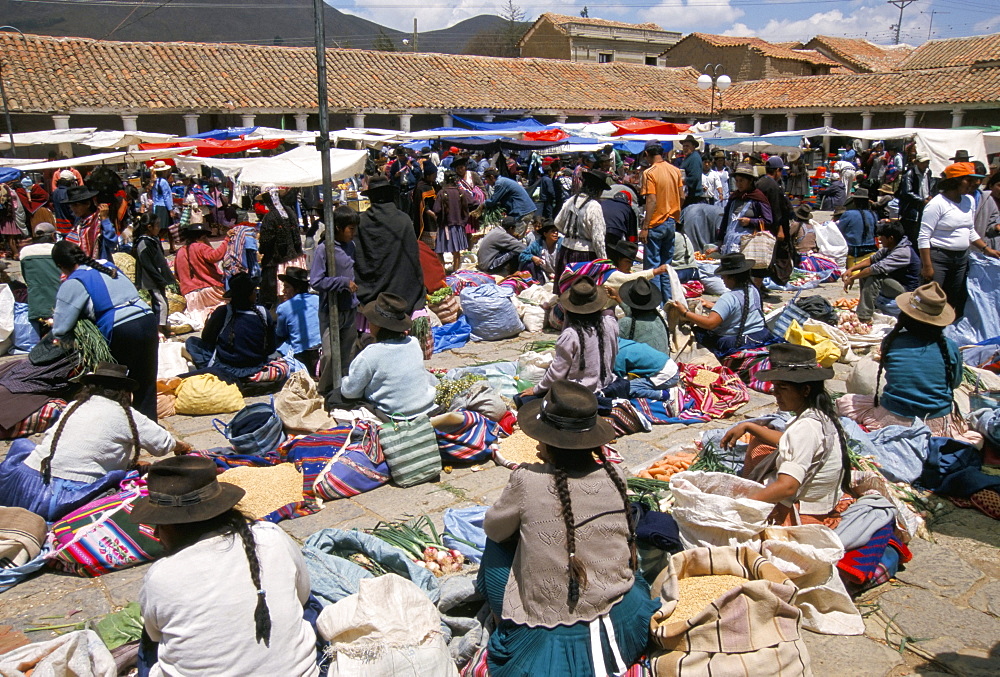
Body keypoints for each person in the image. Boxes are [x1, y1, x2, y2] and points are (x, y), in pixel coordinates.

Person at [480, 380, 657, 677]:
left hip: (548, 644)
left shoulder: (527, 480)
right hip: (626, 623)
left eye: (540, 437)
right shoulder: (615, 475)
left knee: (496, 544)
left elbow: (494, 530)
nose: (536, 444)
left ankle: (509, 621)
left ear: (548, 441)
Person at [132, 456, 320, 677]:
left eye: (159, 526)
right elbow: (303, 596)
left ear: (173, 527)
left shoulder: (161, 576)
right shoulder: (271, 536)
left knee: (149, 644)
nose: (156, 534)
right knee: (308, 605)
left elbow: (155, 636)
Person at [0, 363, 186, 521]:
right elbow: (163, 445)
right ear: (125, 393)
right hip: (64, 497)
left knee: (26, 447)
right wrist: (183, 447)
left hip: (20, 487)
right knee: (124, 482)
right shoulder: (126, 414)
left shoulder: (74, 406)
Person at [720, 344, 849, 525]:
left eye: (782, 387)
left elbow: (788, 487)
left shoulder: (806, 428)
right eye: (774, 386)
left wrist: (740, 506)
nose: (775, 393)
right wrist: (750, 426)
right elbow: (789, 442)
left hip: (801, 510)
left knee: (758, 462)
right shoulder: (820, 414)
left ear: (805, 390)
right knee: (760, 443)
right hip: (819, 500)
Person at [837, 282, 978, 444]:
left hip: (894, 418)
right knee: (974, 438)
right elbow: (955, 383)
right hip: (938, 422)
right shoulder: (950, 347)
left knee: (846, 402)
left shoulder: (892, 341)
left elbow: (894, 377)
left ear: (906, 316)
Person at [51, 240, 159, 420]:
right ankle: (149, 428)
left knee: (114, 384)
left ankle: (116, 426)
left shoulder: (74, 282)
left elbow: (61, 328)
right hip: (147, 319)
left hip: (122, 329)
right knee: (145, 382)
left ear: (61, 266)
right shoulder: (106, 265)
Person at [918, 162, 1000, 316]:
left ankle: (944, 332)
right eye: (968, 180)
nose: (974, 184)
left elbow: (969, 230)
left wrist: (986, 249)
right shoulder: (937, 204)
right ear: (955, 181)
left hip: (961, 259)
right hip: (939, 258)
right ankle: (925, 333)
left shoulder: (968, 201)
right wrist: (927, 266)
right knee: (932, 299)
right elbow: (924, 236)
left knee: (952, 299)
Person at [339, 292, 437, 419]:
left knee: (335, 398)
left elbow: (350, 392)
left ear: (377, 325)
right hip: (426, 407)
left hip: (394, 414)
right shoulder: (413, 342)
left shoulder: (370, 354)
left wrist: (344, 380)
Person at [519, 277, 619, 401]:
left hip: (579, 393)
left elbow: (557, 372)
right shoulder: (610, 323)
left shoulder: (571, 335)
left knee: (521, 399)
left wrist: (536, 389)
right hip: (607, 385)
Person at [671, 253, 782, 360]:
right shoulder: (753, 289)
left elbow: (710, 324)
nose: (723, 280)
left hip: (737, 341)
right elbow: (740, 309)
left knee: (697, 331)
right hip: (760, 335)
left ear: (732, 278)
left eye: (723, 277)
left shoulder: (729, 297)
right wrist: (711, 305)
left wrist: (685, 312)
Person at [353, 176, 426, 314]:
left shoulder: (361, 222)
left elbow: (358, 259)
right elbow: (413, 259)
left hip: (371, 296)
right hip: (404, 295)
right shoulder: (403, 220)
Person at [185, 273, 276, 381]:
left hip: (227, 368)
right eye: (254, 291)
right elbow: (271, 347)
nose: (256, 294)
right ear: (250, 294)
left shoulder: (222, 312)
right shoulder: (263, 312)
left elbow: (207, 339)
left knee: (192, 342)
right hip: (257, 366)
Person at [310, 205, 359, 391]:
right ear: (338, 227)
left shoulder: (350, 246)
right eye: (351, 229)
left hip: (349, 308)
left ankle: (344, 391)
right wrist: (343, 282)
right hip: (331, 310)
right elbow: (316, 281)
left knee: (348, 354)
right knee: (330, 355)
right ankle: (325, 391)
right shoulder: (324, 250)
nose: (353, 233)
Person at [843, 220, 920, 322]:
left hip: (906, 290)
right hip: (894, 283)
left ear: (891, 238)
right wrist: (851, 269)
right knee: (864, 272)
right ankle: (867, 306)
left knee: (875, 277)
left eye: (882, 237)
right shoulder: (890, 247)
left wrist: (852, 278)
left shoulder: (903, 252)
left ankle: (863, 317)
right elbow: (872, 259)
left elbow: (875, 269)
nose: (879, 240)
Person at [640, 140, 684, 301]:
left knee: (653, 268)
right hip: (671, 221)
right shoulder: (675, 170)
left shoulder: (649, 173)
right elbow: (682, 196)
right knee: (666, 267)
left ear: (646, 154)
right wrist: (675, 214)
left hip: (656, 223)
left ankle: (656, 304)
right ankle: (669, 302)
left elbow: (651, 200)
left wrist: (645, 226)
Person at [552, 169, 608, 286]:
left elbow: (558, 222)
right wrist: (603, 261)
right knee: (581, 289)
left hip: (565, 249)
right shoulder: (594, 206)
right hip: (585, 254)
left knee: (565, 286)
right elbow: (598, 238)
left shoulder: (571, 200)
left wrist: (570, 233)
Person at [256, 186, 304, 308]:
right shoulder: (290, 212)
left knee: (279, 297)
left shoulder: (270, 217)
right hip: (295, 260)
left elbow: (266, 242)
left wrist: (262, 252)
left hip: (277, 263)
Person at [174, 223, 228, 327]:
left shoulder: (180, 251)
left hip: (190, 295)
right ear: (202, 237)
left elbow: (177, 274)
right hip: (209, 290)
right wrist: (227, 240)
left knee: (200, 317)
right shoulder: (200, 246)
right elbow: (215, 256)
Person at [133, 214, 177, 338]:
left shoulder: (153, 239)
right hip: (151, 280)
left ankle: (162, 327)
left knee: (161, 301)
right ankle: (158, 330)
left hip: (157, 278)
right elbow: (148, 266)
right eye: (157, 225)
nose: (159, 228)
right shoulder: (143, 243)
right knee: (160, 303)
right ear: (149, 227)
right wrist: (159, 279)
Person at [717, 164, 773, 257]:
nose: (739, 184)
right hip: (729, 244)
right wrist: (720, 240)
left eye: (742, 181)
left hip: (748, 245)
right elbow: (726, 220)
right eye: (737, 181)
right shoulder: (734, 198)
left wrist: (750, 222)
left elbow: (768, 221)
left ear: (750, 181)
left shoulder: (758, 198)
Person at [275, 267, 321, 377]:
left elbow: (280, 333)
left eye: (287, 287)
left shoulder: (284, 308)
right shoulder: (318, 299)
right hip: (320, 350)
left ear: (297, 288)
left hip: (301, 354)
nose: (283, 291)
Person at [18, 222, 60, 336]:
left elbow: (26, 277)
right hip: (59, 301)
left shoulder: (25, 252)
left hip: (37, 303)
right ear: (53, 236)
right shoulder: (59, 250)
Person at [63, 184, 118, 260]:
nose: (73, 209)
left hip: (99, 266)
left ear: (88, 204)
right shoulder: (79, 223)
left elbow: (112, 241)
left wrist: (105, 219)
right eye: (71, 206)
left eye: (76, 205)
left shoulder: (98, 221)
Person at [617, 277, 670, 355]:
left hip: (643, 366)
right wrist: (618, 300)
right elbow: (635, 317)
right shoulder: (658, 317)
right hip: (665, 364)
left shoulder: (625, 323)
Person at [482, 168, 537, 236]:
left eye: (486, 179)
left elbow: (493, 201)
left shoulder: (500, 183)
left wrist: (483, 204)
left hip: (522, 212)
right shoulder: (503, 181)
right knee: (516, 236)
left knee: (515, 237)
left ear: (491, 177)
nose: (486, 181)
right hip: (525, 210)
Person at [432, 170, 471, 264]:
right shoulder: (461, 192)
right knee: (456, 251)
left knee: (439, 251)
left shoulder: (442, 193)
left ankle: (443, 273)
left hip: (445, 226)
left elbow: (436, 209)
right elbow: (473, 202)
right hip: (458, 226)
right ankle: (455, 272)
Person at [897, 152, 933, 245]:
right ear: (917, 162)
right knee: (912, 233)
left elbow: (929, 186)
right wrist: (921, 200)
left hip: (924, 206)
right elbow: (907, 192)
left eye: (927, 162)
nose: (926, 165)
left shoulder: (928, 173)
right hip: (913, 209)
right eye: (923, 162)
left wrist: (929, 196)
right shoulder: (910, 174)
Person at [150, 161, 177, 254]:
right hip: (164, 206)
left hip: (157, 206)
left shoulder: (154, 181)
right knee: (164, 228)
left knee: (166, 228)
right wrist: (170, 209)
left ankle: (171, 246)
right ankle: (158, 246)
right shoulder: (163, 182)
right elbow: (166, 196)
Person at [974, 170, 1000, 249]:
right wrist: (995, 227)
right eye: (999, 185)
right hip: (982, 248)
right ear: (991, 186)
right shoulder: (981, 200)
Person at [679, 134, 703, 207]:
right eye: (684, 146)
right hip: (687, 194)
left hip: (692, 196)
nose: (685, 148)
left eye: (687, 146)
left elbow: (694, 177)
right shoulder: (688, 157)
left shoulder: (694, 158)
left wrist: (681, 182)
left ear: (693, 147)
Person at [51, 170, 77, 237]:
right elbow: (72, 212)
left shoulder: (55, 192)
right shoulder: (68, 193)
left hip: (59, 227)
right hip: (69, 227)